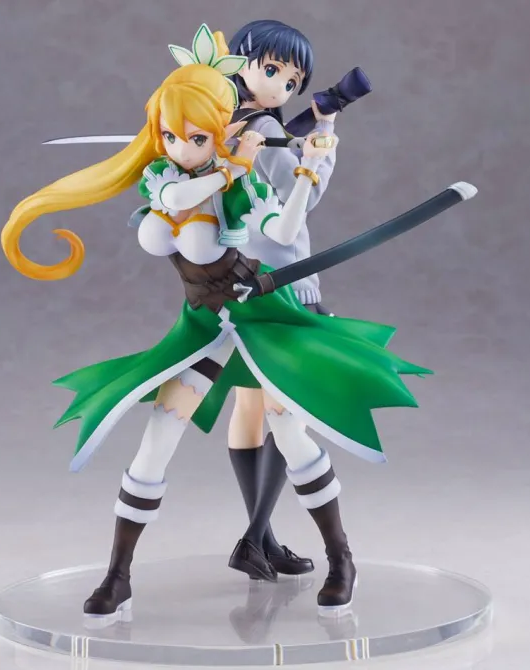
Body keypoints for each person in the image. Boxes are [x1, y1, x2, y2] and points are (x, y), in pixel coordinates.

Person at [1, 24, 431, 625]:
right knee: (159, 433)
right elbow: (169, 208)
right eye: (176, 136)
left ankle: (340, 559)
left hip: (262, 312)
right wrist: (215, 161)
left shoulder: (247, 178)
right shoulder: (172, 176)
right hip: (205, 321)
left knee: (290, 430)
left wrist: (307, 168)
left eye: (291, 81)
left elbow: (282, 233)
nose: (186, 146)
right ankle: (119, 575)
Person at [192, 20, 341, 583]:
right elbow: (299, 207)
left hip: (233, 281)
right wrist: (323, 142)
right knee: (286, 407)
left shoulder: (215, 125)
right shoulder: (266, 129)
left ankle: (262, 540)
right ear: (241, 60)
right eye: (273, 70)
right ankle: (255, 537)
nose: (282, 87)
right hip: (282, 283)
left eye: (292, 81)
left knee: (251, 404)